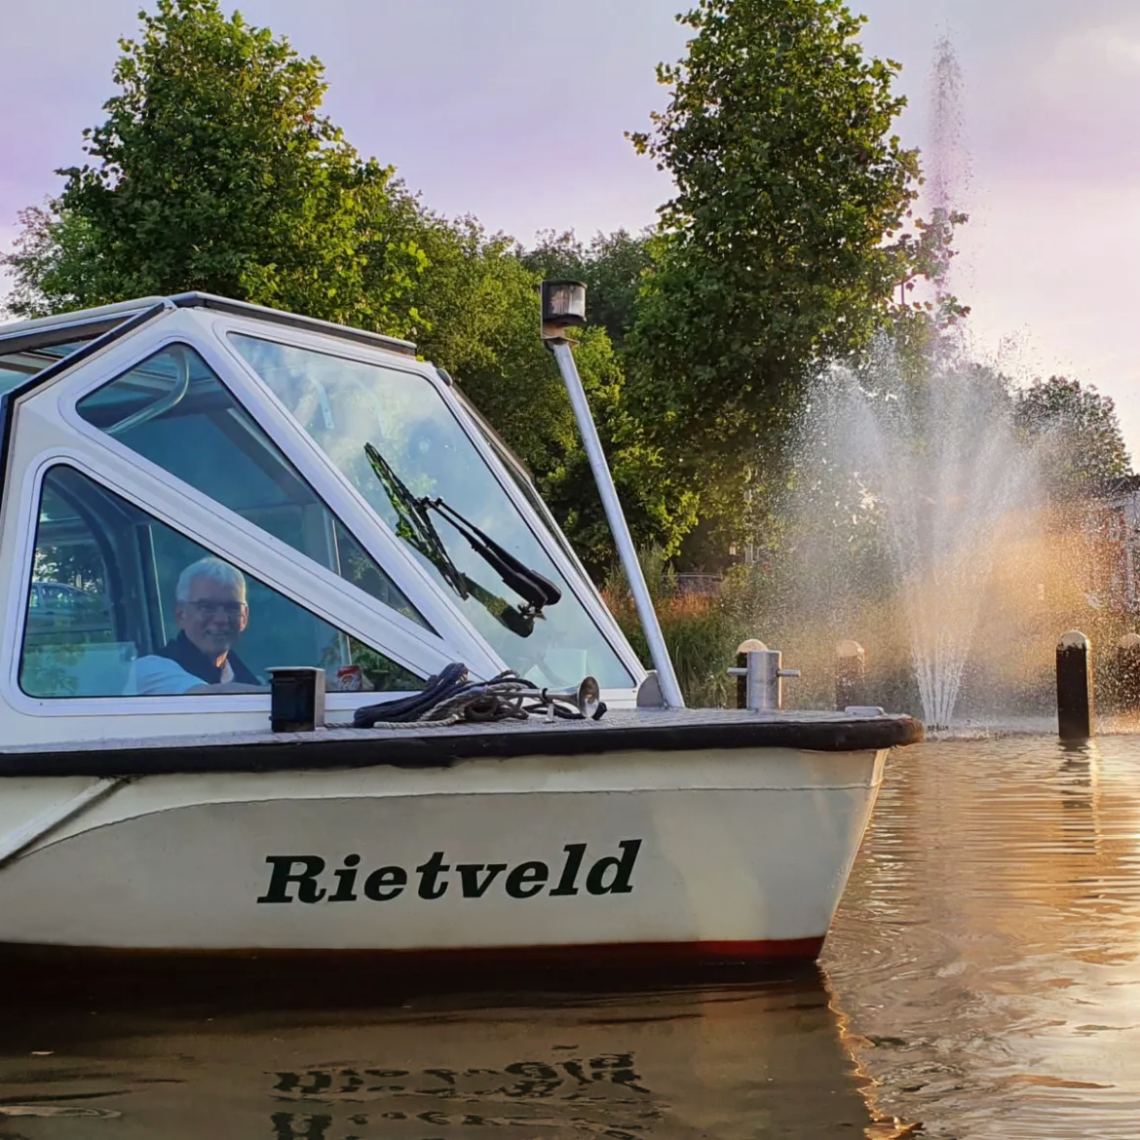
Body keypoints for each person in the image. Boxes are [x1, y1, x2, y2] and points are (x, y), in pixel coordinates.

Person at [125, 557, 263, 696]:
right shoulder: (149, 670)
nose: (221, 619)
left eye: (232, 608)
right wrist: (281, 696)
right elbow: (205, 698)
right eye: (207, 607)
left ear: (244, 617)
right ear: (181, 613)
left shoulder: (253, 682)